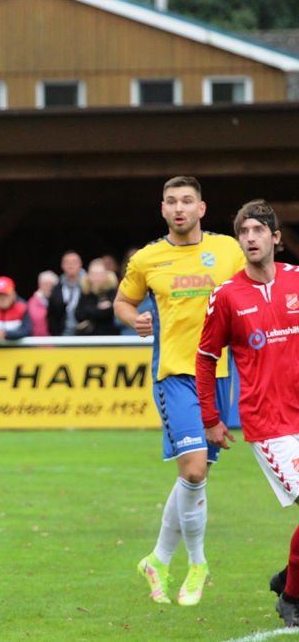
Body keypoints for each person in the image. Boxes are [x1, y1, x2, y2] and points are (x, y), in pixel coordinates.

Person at [114, 175, 246, 606]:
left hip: (219, 374)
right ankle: (198, 563)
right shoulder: (148, 258)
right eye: (171, 202)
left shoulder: (228, 249)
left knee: (194, 476)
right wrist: (133, 319)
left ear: (202, 209)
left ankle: (157, 559)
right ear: (163, 209)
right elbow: (123, 301)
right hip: (175, 375)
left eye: (187, 201)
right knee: (193, 471)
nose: (179, 208)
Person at [196, 200, 299, 627]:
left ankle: (289, 578)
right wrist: (210, 418)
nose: (250, 237)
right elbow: (205, 358)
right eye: (243, 231)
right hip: (269, 423)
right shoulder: (226, 296)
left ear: (276, 238)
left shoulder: (298, 281)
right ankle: (292, 598)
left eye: (258, 230)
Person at [74, 258, 120, 336]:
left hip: (109, 337)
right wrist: (99, 308)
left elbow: (113, 312)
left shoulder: (112, 292)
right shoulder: (85, 292)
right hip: (88, 338)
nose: (97, 277)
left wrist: (91, 311)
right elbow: (78, 314)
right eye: (93, 274)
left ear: (106, 275)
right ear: (88, 276)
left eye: (100, 274)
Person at [47, 251, 83, 336]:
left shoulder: (88, 286)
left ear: (80, 265)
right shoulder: (56, 288)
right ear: (62, 266)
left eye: (74, 262)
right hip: (63, 335)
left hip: (85, 336)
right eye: (67, 262)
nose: (71, 265)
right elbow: (51, 315)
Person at [27, 270, 58, 337]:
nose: (48, 287)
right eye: (44, 284)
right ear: (39, 286)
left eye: (51, 284)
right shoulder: (32, 303)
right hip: (38, 343)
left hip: (57, 342)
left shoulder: (62, 301)